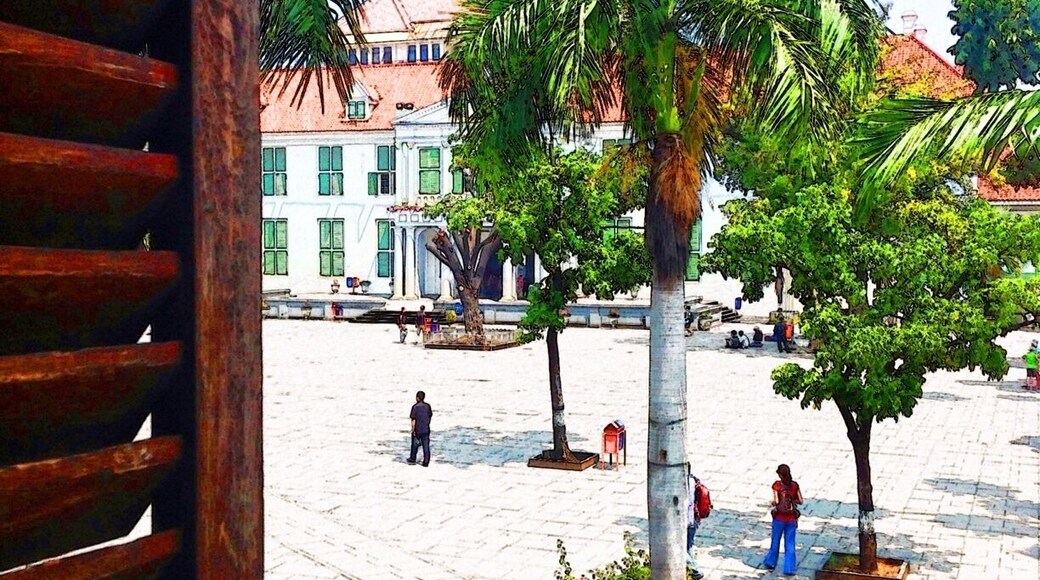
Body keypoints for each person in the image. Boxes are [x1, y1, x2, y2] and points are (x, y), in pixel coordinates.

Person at [763, 464, 803, 575]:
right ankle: (789, 568)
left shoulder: (777, 486)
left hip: (779, 518)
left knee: (775, 541)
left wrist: (772, 503)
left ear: (780, 475)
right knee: (790, 543)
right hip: (791, 519)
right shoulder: (794, 485)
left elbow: (776, 501)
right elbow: (800, 500)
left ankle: (771, 562)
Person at [685, 463, 706, 580]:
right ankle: (691, 569)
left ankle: (695, 569)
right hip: (694, 518)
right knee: (689, 546)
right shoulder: (694, 480)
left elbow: (686, 502)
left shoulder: (685, 483)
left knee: (680, 548)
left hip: (687, 519)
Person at [408, 391, 433, 466]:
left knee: (414, 444)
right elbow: (430, 416)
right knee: (426, 445)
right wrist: (427, 424)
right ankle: (426, 461)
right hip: (425, 428)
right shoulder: (428, 406)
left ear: (417, 398)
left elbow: (413, 419)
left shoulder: (415, 407)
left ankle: (412, 458)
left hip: (417, 429)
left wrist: (413, 430)